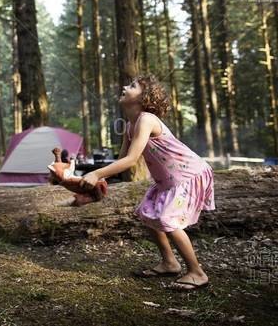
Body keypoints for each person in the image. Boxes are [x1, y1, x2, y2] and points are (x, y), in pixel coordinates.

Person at [83, 74, 215, 291]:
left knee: (167, 219)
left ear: (144, 98)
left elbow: (132, 159)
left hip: (188, 175)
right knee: (147, 213)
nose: (125, 86)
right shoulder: (129, 125)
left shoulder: (146, 119)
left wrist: (96, 173)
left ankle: (196, 272)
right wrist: (101, 179)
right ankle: (169, 263)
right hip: (167, 181)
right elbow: (122, 160)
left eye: (132, 85)